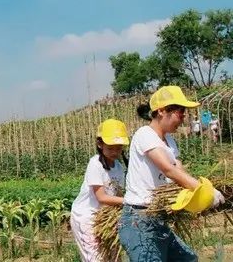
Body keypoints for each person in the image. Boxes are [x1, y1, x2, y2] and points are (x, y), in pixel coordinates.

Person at [118, 86, 225, 262]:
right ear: (161, 111)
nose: (184, 118)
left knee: (188, 259)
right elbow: (169, 169)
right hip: (139, 219)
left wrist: (201, 196)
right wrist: (204, 191)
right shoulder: (144, 134)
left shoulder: (169, 140)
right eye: (180, 112)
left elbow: (179, 171)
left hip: (157, 217)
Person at [70, 119, 129, 261]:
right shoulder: (95, 164)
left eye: (118, 147)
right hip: (87, 218)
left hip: (106, 218)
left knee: (113, 257)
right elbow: (101, 197)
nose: (115, 152)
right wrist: (130, 201)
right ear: (100, 144)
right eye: (110, 148)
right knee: (96, 258)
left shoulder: (119, 168)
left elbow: (118, 193)